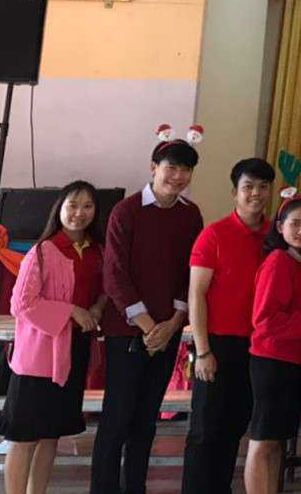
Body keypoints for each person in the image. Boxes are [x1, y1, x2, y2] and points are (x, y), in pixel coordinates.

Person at [93, 137, 203, 494]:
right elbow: (114, 274)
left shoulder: (190, 214)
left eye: (185, 169)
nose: (178, 176)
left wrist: (172, 324)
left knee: (146, 419)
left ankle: (135, 487)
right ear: (154, 168)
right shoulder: (126, 211)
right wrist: (148, 327)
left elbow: (190, 273)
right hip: (127, 331)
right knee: (117, 417)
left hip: (167, 331)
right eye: (171, 167)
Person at [0, 181, 108, 494]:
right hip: (39, 357)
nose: (79, 213)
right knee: (24, 436)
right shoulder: (43, 252)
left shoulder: (97, 251)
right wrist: (71, 310)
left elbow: (104, 292)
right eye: (72, 205)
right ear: (59, 209)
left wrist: (97, 309)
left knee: (50, 434)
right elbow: (21, 304)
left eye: (87, 206)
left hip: (75, 351)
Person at [182, 157, 275, 494]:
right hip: (218, 345)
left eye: (263, 187)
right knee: (205, 430)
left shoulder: (275, 236)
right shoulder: (214, 235)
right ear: (235, 192)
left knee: (236, 426)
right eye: (248, 187)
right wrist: (203, 351)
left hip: (259, 348)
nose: (256, 193)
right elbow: (196, 294)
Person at [244, 195, 301, 494]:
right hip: (271, 361)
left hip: (293, 362)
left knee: (277, 441)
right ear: (280, 226)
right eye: (295, 223)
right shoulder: (277, 261)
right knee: (262, 441)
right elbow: (264, 321)